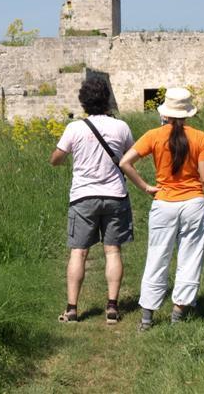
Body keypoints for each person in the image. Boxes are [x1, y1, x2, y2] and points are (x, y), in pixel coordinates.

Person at [119, 87, 204, 330]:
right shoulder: (200, 138)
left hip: (164, 203)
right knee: (191, 256)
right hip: (193, 203)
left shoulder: (154, 135)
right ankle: (179, 312)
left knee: (157, 255)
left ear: (165, 112)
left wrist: (146, 187)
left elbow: (125, 162)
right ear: (188, 113)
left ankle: (147, 317)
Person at [50, 77, 135, 324]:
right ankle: (111, 307)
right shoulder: (121, 127)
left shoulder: (75, 128)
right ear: (107, 99)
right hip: (115, 194)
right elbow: (130, 156)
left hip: (83, 196)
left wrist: (60, 154)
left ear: (83, 102)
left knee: (79, 252)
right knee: (112, 251)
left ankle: (72, 308)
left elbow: (56, 159)